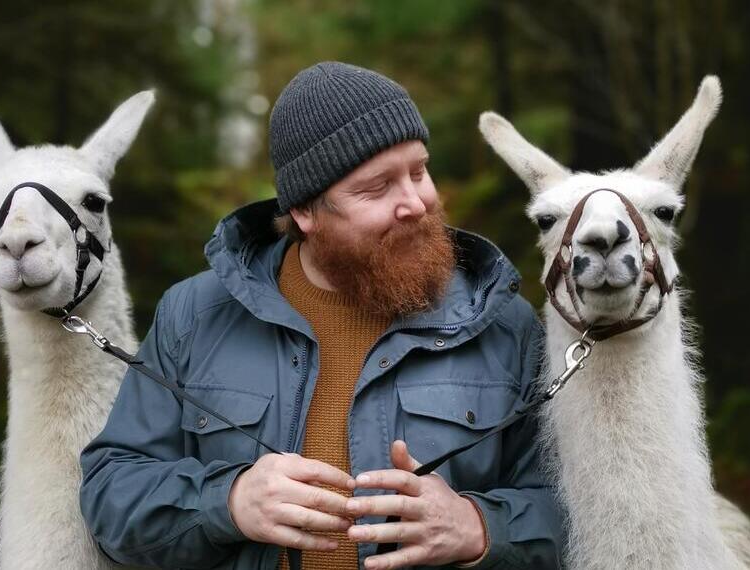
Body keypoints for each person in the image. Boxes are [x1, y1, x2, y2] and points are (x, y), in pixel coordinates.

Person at [79, 61, 563, 570]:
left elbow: (576, 511)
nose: (416, 203)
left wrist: (480, 528)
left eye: (419, 172)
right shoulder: (194, 316)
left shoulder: (502, 323)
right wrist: (228, 501)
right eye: (377, 187)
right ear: (305, 212)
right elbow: (112, 494)